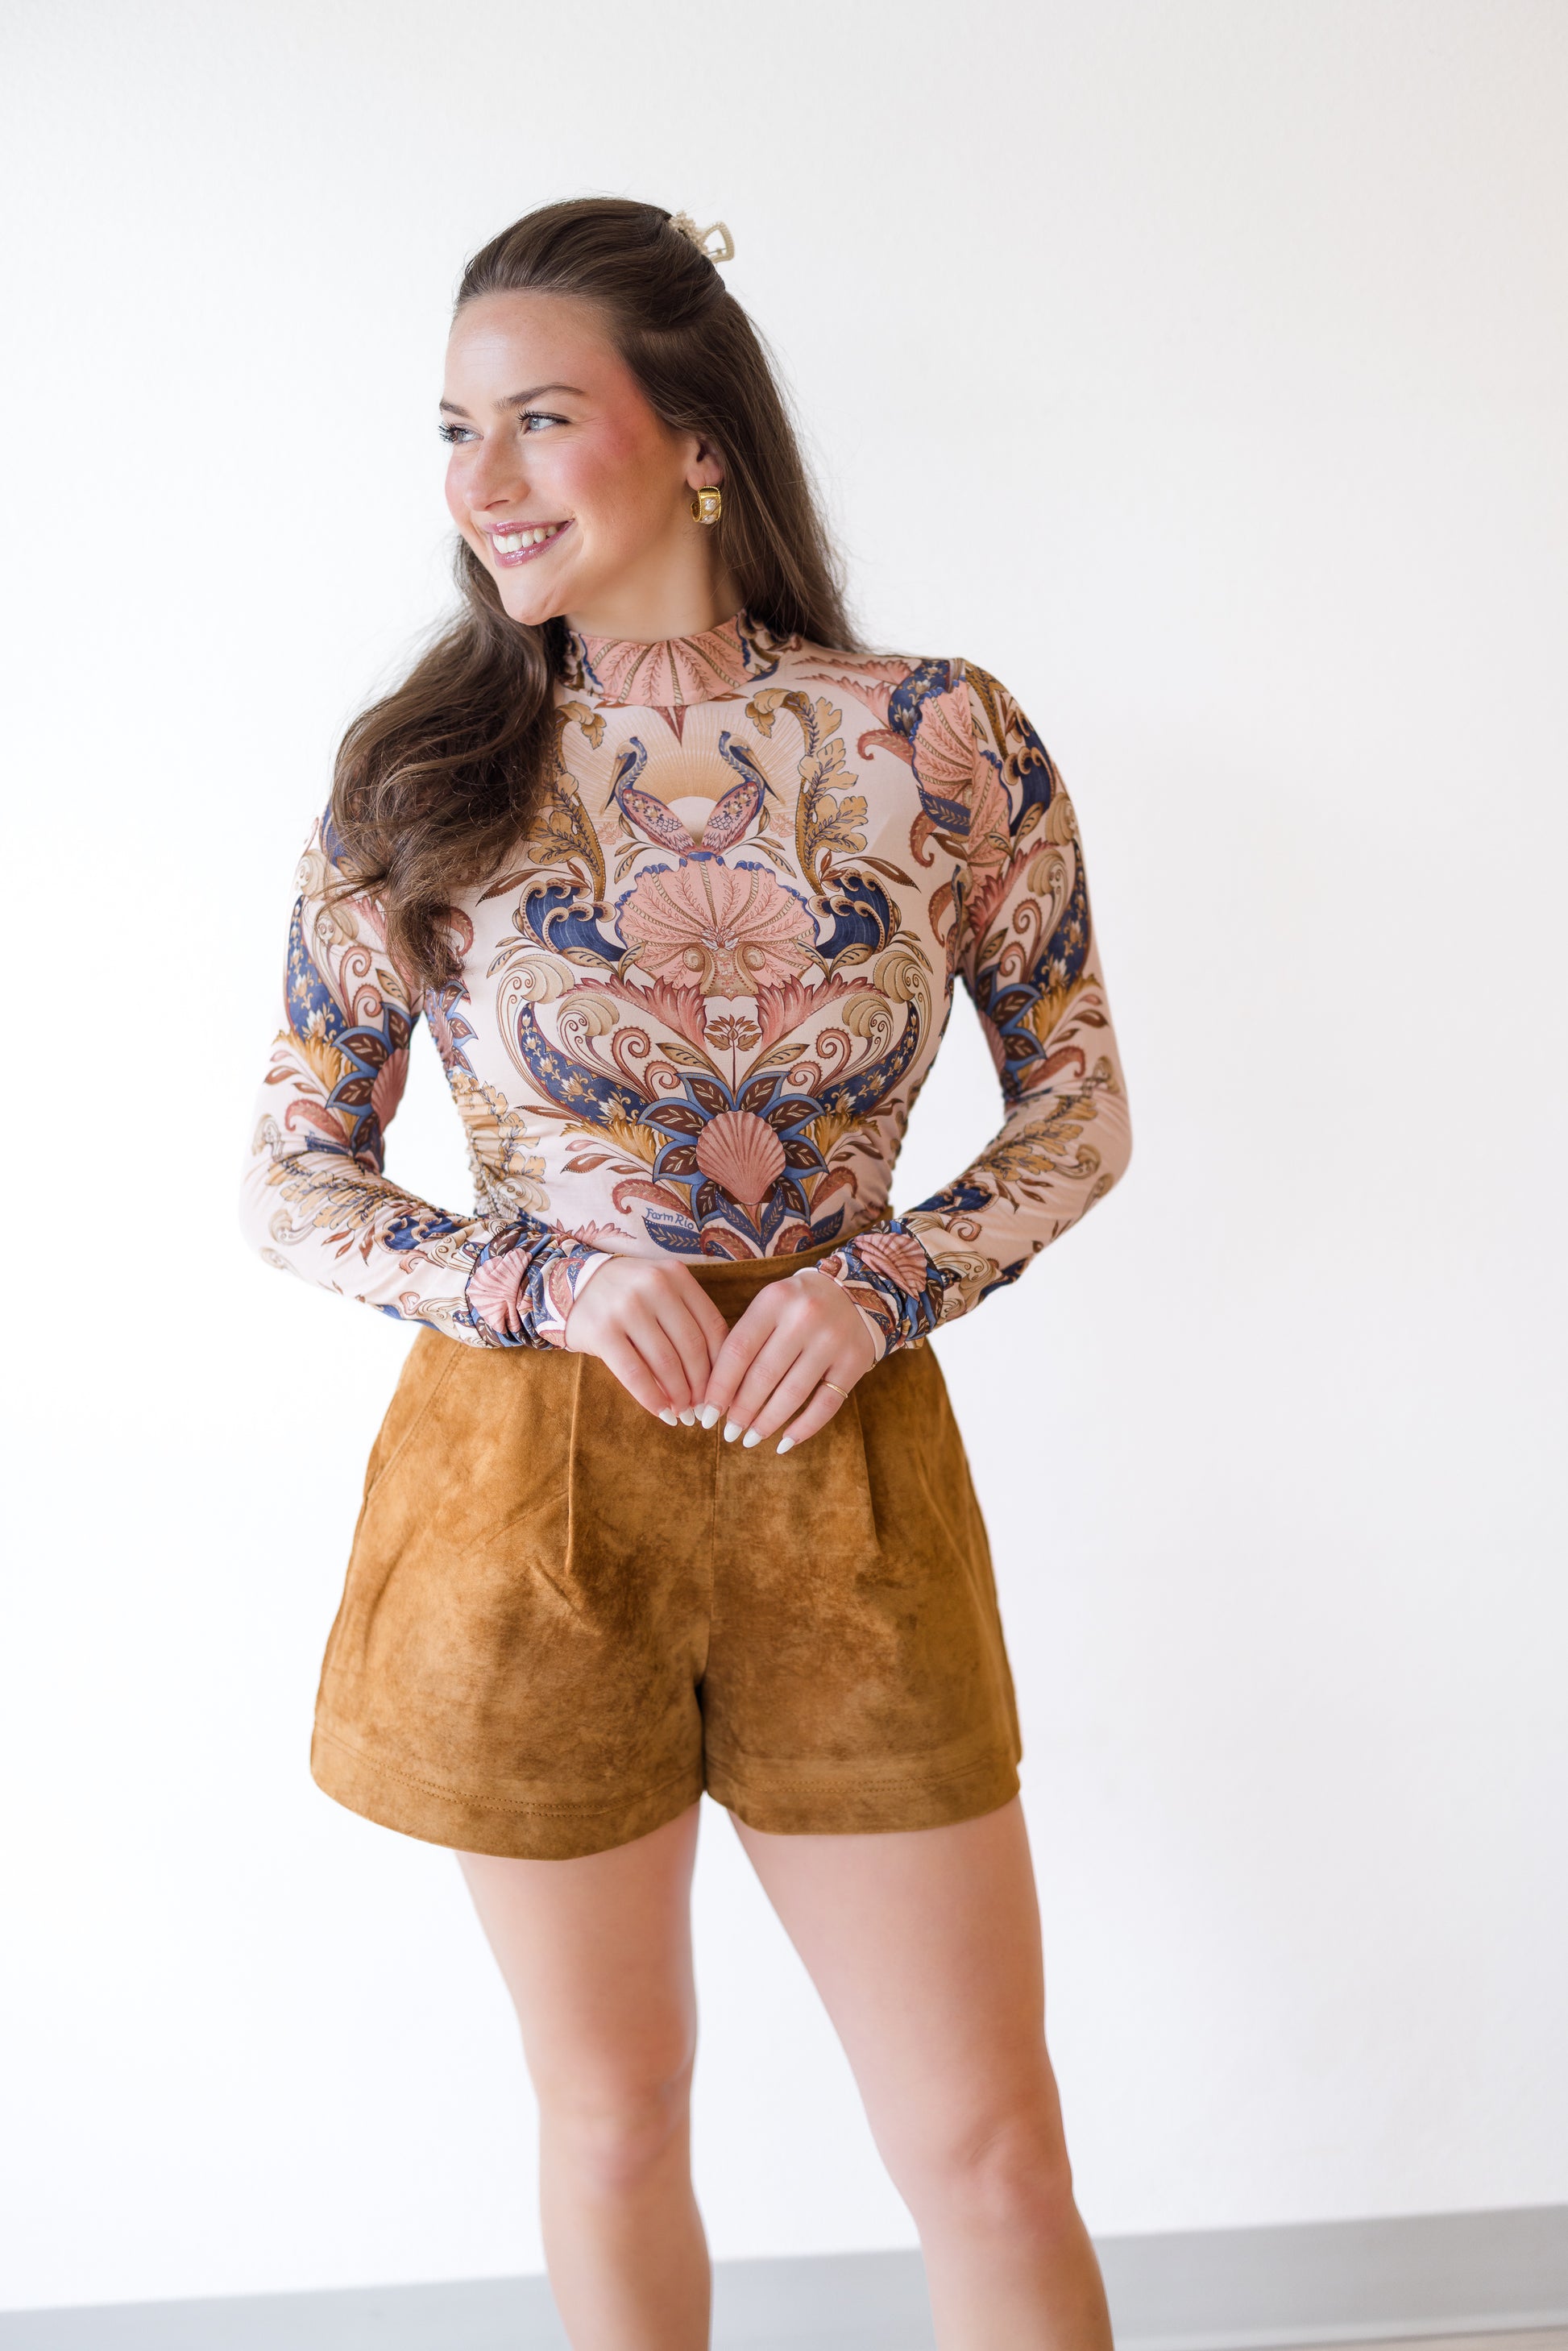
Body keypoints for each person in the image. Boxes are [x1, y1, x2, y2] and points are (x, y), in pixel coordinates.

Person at [239, 195, 1133, 2351]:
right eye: (455, 431)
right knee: (616, 2114)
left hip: (850, 1480)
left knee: (989, 2146)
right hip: (526, 1492)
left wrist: (879, 1282)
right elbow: (291, 1176)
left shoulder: (937, 740)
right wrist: (537, 1284)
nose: (484, 481)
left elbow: (1077, 1113)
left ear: (700, 438)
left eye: (541, 419)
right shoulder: (421, 772)